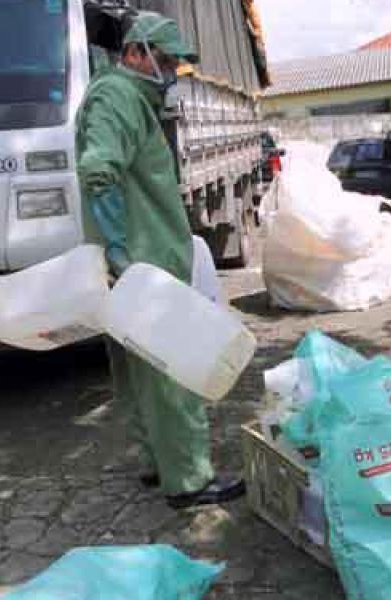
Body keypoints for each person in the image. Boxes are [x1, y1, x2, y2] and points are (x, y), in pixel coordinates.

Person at [76, 11, 245, 509]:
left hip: (133, 266)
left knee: (137, 372)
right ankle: (189, 479)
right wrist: (119, 249)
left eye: (174, 64)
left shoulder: (124, 96)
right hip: (143, 266)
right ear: (135, 52)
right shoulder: (117, 97)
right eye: (166, 61)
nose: (171, 72)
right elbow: (98, 169)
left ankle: (158, 462)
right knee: (172, 372)